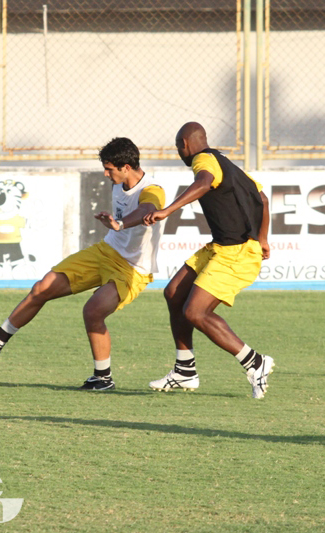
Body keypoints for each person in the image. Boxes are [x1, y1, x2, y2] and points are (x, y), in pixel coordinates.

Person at [0, 137, 165, 391]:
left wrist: (120, 224)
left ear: (126, 167)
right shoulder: (118, 184)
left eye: (109, 168)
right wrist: (115, 228)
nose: (105, 173)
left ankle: (103, 378)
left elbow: (146, 209)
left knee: (93, 311)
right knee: (42, 288)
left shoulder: (152, 189)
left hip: (133, 268)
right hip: (105, 251)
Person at [142, 121, 273, 399]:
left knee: (195, 312)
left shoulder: (203, 160)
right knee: (174, 293)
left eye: (179, 147)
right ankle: (184, 370)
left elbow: (203, 183)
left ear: (184, 145)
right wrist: (263, 238)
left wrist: (167, 211)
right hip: (221, 246)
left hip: (236, 252)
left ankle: (255, 362)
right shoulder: (225, 162)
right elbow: (262, 199)